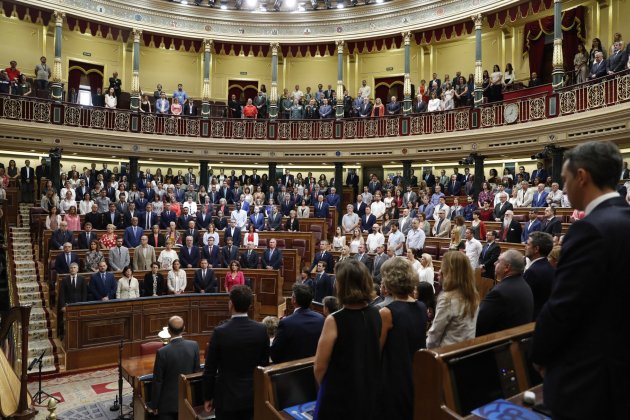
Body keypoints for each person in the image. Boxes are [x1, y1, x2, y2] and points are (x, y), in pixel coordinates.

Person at [531, 142, 630, 419]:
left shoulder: (589, 228)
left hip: (589, 379)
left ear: (582, 177)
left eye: (565, 179)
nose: (564, 188)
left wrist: (539, 355)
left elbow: (564, 305)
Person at [313, 259, 381, 419]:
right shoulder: (377, 313)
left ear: (343, 285)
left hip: (339, 395)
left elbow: (319, 367)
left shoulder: (334, 319)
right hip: (367, 389)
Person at [202, 286, 269, 419]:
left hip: (226, 397)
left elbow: (210, 369)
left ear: (231, 304)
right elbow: (264, 364)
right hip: (252, 396)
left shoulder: (220, 332)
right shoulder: (261, 329)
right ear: (250, 305)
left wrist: (207, 397)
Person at [378, 257, 428, 420]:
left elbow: (376, 349)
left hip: (393, 377)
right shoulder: (421, 306)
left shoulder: (387, 312)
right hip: (415, 373)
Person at [148, 316, 200, 419]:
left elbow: (158, 381)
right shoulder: (194, 346)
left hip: (167, 405)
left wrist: (154, 405)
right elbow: (196, 374)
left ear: (168, 330)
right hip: (188, 402)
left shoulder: (162, 352)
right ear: (184, 328)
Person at [427, 251, 479, 348]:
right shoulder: (473, 295)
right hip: (465, 351)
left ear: (449, 272)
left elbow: (433, 338)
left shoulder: (447, 299)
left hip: (447, 354)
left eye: (443, 268)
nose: (439, 271)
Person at [476, 249, 534, 336]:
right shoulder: (524, 284)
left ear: (507, 267)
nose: (495, 263)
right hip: (516, 339)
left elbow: (479, 322)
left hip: (497, 344)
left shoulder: (499, 292)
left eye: (498, 261)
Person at [270, 283, 325, 363]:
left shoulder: (286, 323)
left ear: (294, 300)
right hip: (314, 366)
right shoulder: (320, 319)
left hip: (291, 370)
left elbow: (275, 354)